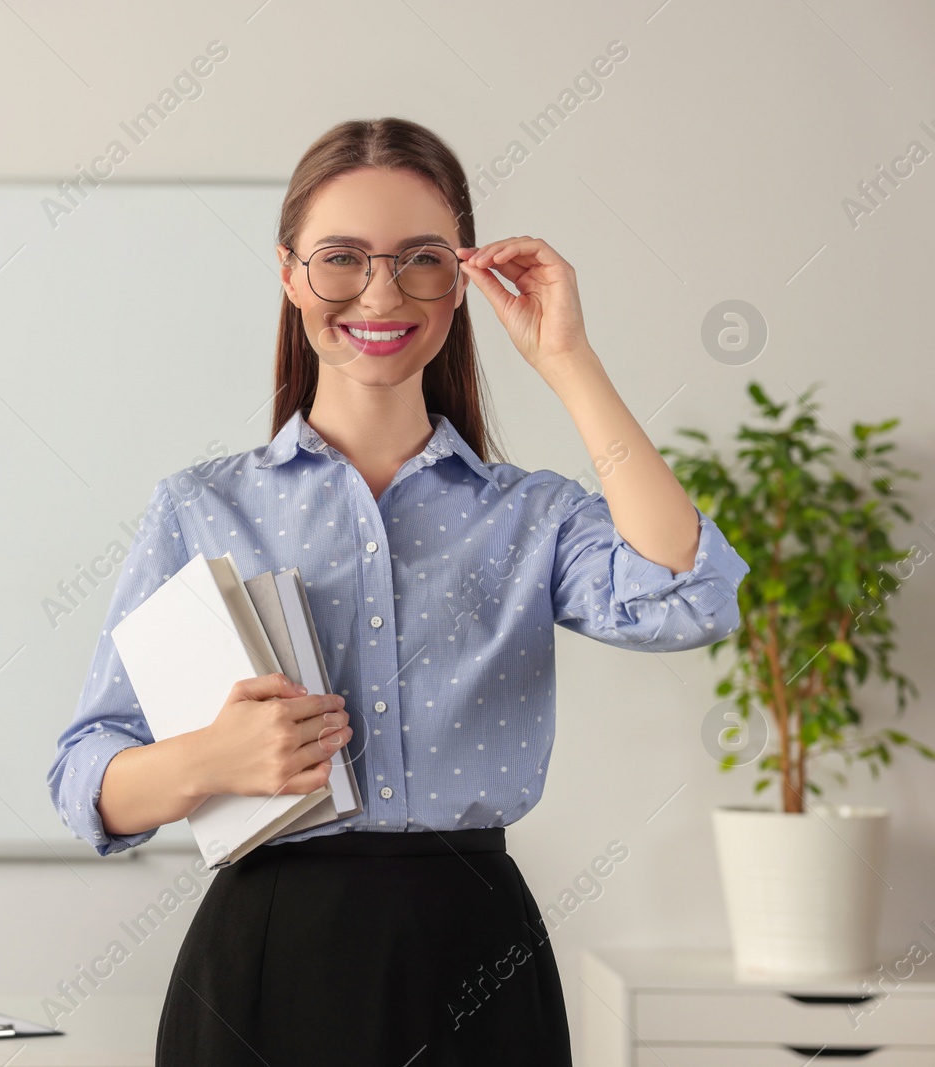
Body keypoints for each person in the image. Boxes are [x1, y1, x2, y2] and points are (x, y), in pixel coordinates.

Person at [46, 117, 750, 1066]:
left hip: (476, 955)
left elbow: (688, 597)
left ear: (460, 279)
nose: (381, 291)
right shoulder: (199, 506)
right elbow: (87, 776)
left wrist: (566, 359)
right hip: (263, 959)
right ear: (292, 274)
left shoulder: (530, 515)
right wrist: (213, 757)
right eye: (342, 258)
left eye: (420, 258)